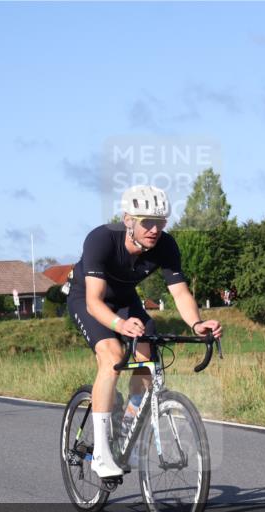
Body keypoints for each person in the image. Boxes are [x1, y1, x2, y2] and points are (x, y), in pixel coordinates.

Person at [66, 185, 223, 480]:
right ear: (128, 220)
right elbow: (94, 301)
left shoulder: (165, 245)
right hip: (89, 300)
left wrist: (197, 324)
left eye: (160, 223)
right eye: (147, 222)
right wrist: (118, 326)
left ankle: (125, 430)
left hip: (126, 301)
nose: (154, 229)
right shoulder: (101, 239)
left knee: (147, 357)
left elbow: (179, 293)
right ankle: (101, 452)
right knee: (112, 354)